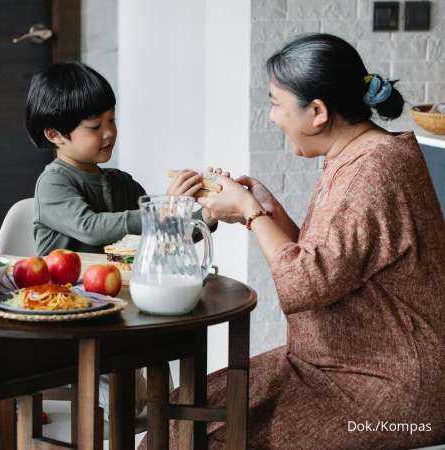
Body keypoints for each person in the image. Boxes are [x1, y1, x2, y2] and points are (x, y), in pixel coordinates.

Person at [144, 33, 445, 449]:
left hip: (387, 389)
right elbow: (334, 265)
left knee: (210, 434)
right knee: (182, 410)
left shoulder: (372, 171)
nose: (271, 117)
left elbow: (304, 284)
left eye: (275, 103)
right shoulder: (357, 155)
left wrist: (250, 213)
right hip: (339, 366)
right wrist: (269, 211)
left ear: (317, 111)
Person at [26, 61, 212, 256]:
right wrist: (163, 210)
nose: (109, 132)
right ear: (55, 134)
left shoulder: (123, 183)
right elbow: (91, 228)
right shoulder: (53, 183)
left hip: (121, 286)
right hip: (64, 286)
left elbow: (162, 235)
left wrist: (207, 216)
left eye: (112, 120)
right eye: (95, 127)